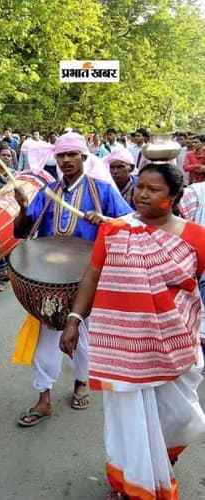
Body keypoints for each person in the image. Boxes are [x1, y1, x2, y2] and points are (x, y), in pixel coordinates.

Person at [60, 161, 205, 500]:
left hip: (176, 342)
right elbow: (93, 276)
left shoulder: (197, 237)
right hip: (123, 346)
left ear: (173, 196)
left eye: (153, 190)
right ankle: (131, 483)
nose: (142, 194)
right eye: (140, 187)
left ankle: (162, 457)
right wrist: (74, 320)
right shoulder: (114, 230)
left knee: (183, 418)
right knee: (130, 421)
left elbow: (195, 285)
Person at [12, 132, 133, 427]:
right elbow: (22, 232)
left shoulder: (102, 191)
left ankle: (81, 381)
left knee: (84, 337)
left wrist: (106, 221)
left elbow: (131, 225)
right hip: (48, 281)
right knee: (45, 340)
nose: (66, 160)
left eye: (71, 155)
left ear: (84, 157)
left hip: (87, 279)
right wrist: (24, 208)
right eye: (61, 156)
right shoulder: (48, 191)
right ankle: (44, 396)